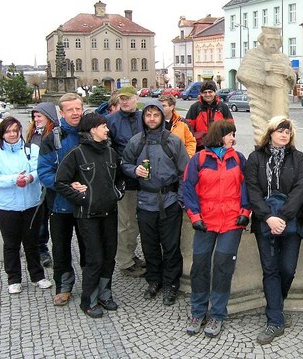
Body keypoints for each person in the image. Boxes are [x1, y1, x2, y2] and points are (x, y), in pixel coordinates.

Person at [183, 120, 250, 338]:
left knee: (223, 267)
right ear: (218, 135)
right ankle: (198, 311)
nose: (233, 138)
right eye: (230, 134)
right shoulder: (199, 159)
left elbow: (248, 187)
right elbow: (188, 189)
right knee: (200, 265)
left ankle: (218, 314)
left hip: (231, 222)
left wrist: (245, 212)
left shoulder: (238, 158)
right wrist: (194, 216)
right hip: (205, 221)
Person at [245, 116, 303, 345]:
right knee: (270, 271)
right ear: (270, 132)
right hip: (264, 223)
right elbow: (252, 191)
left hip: (291, 223)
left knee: (288, 270)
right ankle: (275, 321)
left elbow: (299, 190)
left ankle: (276, 308)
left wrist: (281, 217)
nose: (284, 135)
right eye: (280, 130)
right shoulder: (255, 158)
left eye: (287, 132)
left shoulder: (298, 158)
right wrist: (268, 217)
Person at [55, 113, 123, 318]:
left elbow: (119, 179)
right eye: (103, 126)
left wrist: (116, 194)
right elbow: (60, 182)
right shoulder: (77, 154)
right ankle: (89, 300)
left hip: (109, 213)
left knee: (109, 257)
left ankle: (105, 294)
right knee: (95, 258)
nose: (107, 130)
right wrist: (81, 198)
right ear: (92, 129)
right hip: (87, 216)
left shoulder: (111, 153)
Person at [122, 101, 189, 305]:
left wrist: (179, 200)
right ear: (144, 118)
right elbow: (124, 163)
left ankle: (171, 283)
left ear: (162, 117)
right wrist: (134, 171)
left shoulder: (173, 142)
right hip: (145, 201)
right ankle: (154, 280)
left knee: (170, 246)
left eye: (155, 115)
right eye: (148, 115)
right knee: (149, 245)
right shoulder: (136, 142)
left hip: (169, 202)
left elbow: (184, 173)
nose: (152, 119)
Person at [0, 117, 52, 294]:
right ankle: (14, 279)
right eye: (8, 131)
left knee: (32, 243)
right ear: (2, 134)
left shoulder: (32, 149)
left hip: (31, 205)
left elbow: (39, 169)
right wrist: (15, 179)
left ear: (20, 131)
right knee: (11, 244)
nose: (12, 134)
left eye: (15, 130)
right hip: (7, 208)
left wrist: (30, 178)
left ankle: (37, 276)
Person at [38, 93, 86, 307]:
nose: (75, 113)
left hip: (86, 204)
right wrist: (67, 187)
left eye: (78, 108)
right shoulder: (52, 139)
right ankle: (64, 286)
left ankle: (91, 284)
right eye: (70, 109)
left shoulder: (90, 133)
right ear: (61, 112)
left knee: (89, 247)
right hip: (60, 204)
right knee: (60, 248)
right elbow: (44, 172)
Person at [106, 85, 146, 278]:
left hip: (145, 180)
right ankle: (124, 261)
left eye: (128, 98)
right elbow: (108, 151)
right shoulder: (111, 121)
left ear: (135, 99)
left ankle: (131, 254)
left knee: (137, 222)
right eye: (121, 98)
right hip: (124, 180)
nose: (124, 101)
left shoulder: (144, 118)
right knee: (125, 223)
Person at [237, 26, 296, 140]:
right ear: (262, 39)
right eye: (270, 40)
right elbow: (242, 74)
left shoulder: (283, 58)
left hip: (280, 103)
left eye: (276, 40)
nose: (273, 44)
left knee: (282, 131)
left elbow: (293, 80)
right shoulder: (253, 55)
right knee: (262, 136)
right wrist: (265, 80)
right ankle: (262, 155)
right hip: (260, 102)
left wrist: (287, 72)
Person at [25, 102, 59, 268]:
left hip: (51, 182)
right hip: (36, 183)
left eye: (39, 116)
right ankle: (41, 249)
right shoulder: (33, 134)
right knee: (40, 218)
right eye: (34, 116)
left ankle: (57, 249)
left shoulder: (55, 134)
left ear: (49, 117)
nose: (36, 119)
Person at [185, 81, 234, 152]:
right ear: (201, 94)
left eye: (210, 92)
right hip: (200, 147)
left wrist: (228, 143)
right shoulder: (195, 107)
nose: (207, 94)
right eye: (205, 92)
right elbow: (188, 128)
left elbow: (230, 128)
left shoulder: (223, 107)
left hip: (220, 146)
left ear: (214, 92)